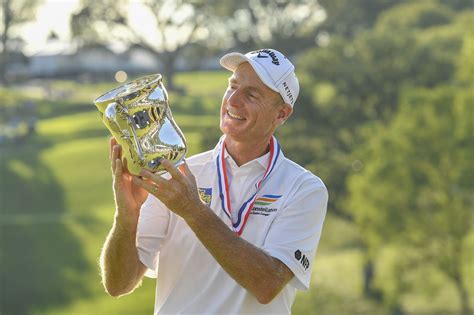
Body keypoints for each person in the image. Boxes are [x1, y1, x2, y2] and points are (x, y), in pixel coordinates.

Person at [100, 48, 328, 314]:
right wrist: (126, 217)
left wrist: (193, 210)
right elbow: (118, 285)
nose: (233, 100)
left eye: (252, 94)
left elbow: (267, 284)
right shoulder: (178, 174)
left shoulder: (303, 189)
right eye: (232, 86)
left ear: (281, 114)